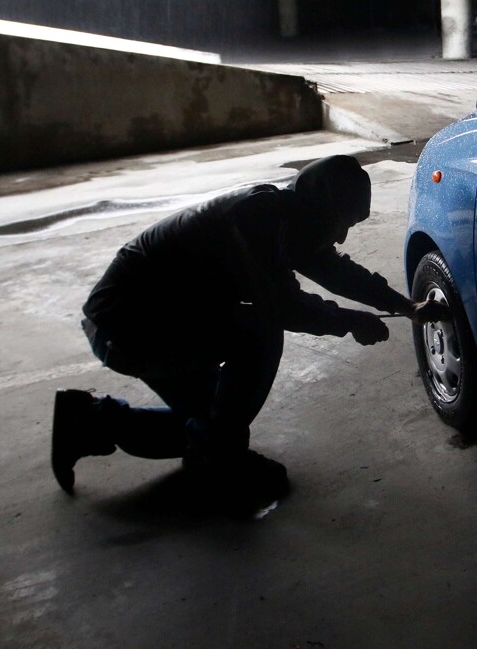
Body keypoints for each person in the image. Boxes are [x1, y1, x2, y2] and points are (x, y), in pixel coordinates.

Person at [51, 155, 442, 509]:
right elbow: (284, 306)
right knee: (260, 331)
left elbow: (335, 270)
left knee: (207, 426)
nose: (341, 237)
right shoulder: (256, 218)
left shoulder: (292, 219)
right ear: (322, 206)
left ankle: (88, 420)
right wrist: (351, 322)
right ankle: (221, 460)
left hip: (161, 322)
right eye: (343, 222)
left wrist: (404, 306)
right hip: (127, 326)